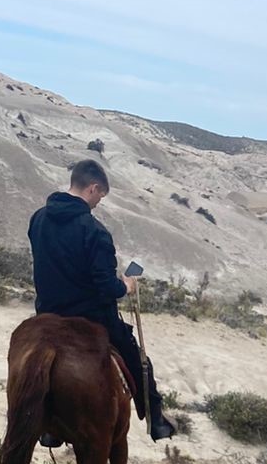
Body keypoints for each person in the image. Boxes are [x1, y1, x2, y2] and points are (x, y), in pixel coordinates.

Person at [28, 159, 177, 443]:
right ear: (93, 188)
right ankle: (156, 420)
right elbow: (106, 286)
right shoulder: (94, 230)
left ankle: (48, 427)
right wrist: (127, 286)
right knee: (138, 359)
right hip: (90, 317)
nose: (98, 203)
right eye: (101, 197)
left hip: (46, 316)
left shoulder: (38, 218)